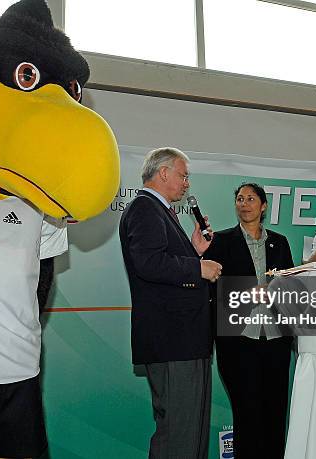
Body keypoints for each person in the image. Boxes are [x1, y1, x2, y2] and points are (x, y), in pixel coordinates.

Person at [119, 147, 221, 459]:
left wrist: (193, 251)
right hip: (173, 341)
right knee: (179, 434)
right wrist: (197, 268)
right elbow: (148, 263)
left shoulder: (157, 210)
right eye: (183, 175)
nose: (187, 183)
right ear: (164, 173)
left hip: (183, 340)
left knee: (188, 433)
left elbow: (161, 263)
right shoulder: (145, 208)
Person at [203, 183, 294, 458]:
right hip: (237, 341)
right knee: (248, 414)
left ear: (263, 206)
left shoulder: (279, 241)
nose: (244, 204)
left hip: (276, 340)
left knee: (276, 414)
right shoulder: (219, 241)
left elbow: (290, 285)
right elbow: (211, 291)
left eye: (251, 198)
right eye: (240, 199)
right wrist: (245, 293)